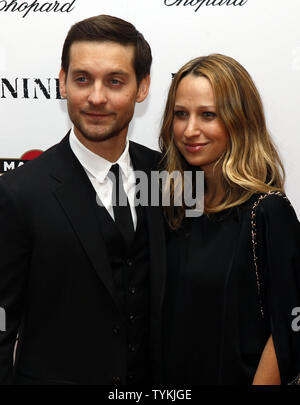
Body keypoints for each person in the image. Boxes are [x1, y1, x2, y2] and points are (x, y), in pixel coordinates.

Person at [0, 14, 166, 385]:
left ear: (143, 88)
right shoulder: (20, 192)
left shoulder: (165, 175)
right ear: (62, 83)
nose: (96, 97)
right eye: (82, 79)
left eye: (115, 81)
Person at [159, 54, 300, 385]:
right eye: (181, 114)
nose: (190, 130)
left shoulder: (267, 211)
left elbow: (286, 331)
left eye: (208, 115)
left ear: (240, 120)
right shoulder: (172, 204)